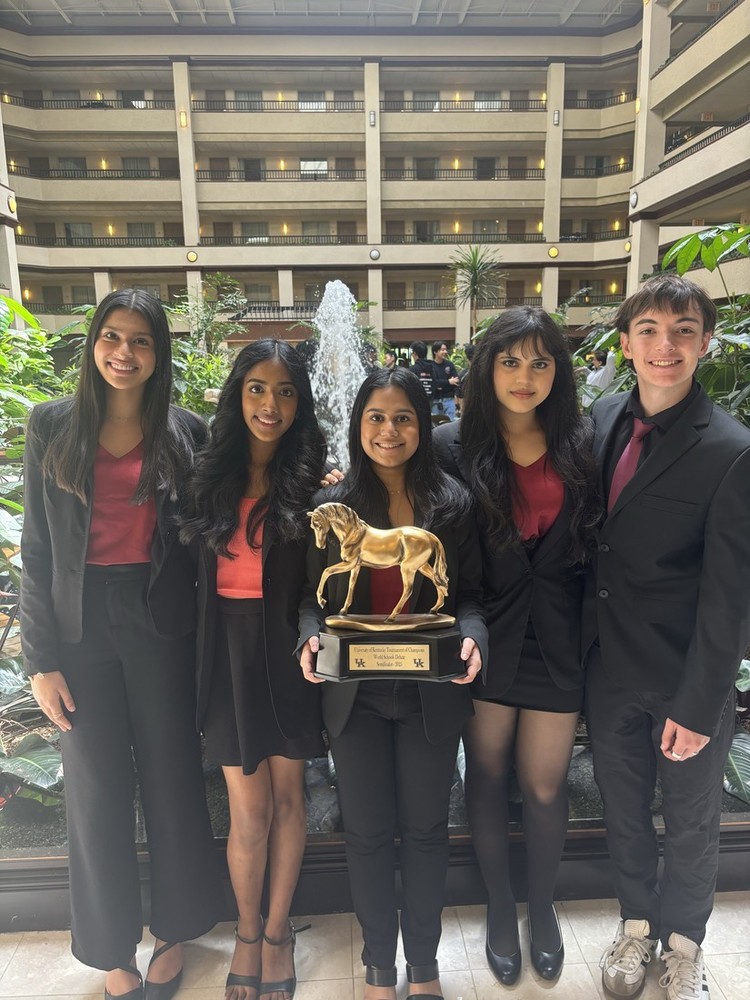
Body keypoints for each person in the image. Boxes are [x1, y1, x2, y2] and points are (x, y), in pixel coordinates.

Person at [20, 289, 224, 1000]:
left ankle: (175, 932)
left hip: (161, 621)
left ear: (159, 353)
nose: (124, 353)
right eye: (112, 336)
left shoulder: (185, 431)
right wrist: (40, 661)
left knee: (173, 778)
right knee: (96, 789)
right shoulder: (52, 425)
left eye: (141, 340)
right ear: (93, 343)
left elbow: (208, 534)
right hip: (79, 630)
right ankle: (112, 951)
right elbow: (37, 549)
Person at [584, 274, 750, 1000]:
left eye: (684, 330)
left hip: (685, 678)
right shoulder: (601, 419)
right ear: (625, 342)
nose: (665, 345)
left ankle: (684, 944)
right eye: (649, 329)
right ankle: (636, 926)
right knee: (623, 812)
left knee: (690, 821)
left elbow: (730, 595)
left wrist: (700, 702)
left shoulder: (731, 449)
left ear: (705, 342)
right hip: (607, 669)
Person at [299, 368, 488, 1000]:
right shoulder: (334, 502)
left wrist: (474, 638)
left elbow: (473, 597)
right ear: (358, 424)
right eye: (376, 417)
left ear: (422, 425)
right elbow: (309, 599)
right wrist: (308, 637)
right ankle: (379, 968)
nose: (389, 430)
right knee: (367, 835)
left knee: (429, 833)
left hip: (430, 693)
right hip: (355, 698)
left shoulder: (453, 503)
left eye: (403, 417)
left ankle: (425, 968)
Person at [433, 307, 600, 986]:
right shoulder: (450, 446)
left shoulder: (583, 444)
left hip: (559, 638)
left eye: (539, 361)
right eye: (509, 361)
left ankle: (541, 905)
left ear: (558, 371)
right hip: (485, 638)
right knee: (487, 773)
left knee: (544, 784)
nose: (524, 375)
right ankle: (500, 907)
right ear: (487, 368)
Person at [179, 340, 327, 1000]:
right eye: (258, 389)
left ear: (300, 403)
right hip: (226, 655)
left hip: (288, 651)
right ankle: (245, 931)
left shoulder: (312, 481)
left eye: (286, 391)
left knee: (290, 798)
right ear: (238, 395)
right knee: (249, 809)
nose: (271, 404)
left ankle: (276, 932)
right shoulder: (207, 476)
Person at [430, 341, 459, 420]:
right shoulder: (430, 366)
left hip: (449, 400)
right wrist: (448, 382)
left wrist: (441, 384)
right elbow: (433, 382)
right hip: (435, 401)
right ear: (435, 352)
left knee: (451, 423)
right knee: (436, 423)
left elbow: (456, 380)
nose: (445, 352)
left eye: (446, 349)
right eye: (442, 350)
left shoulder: (449, 364)